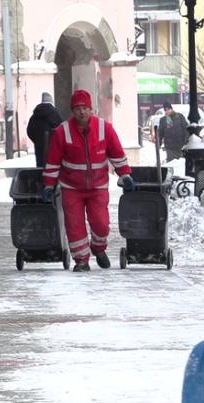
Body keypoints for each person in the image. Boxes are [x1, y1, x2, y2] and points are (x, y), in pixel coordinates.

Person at [42, 90, 134, 272]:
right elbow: (53, 161)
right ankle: (81, 260)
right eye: (77, 109)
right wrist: (48, 185)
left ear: (91, 109)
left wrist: (125, 175)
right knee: (74, 225)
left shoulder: (104, 129)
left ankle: (98, 249)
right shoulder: (62, 132)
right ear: (72, 111)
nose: (82, 112)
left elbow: (117, 154)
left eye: (85, 108)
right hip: (71, 188)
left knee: (101, 224)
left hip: (98, 186)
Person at [27, 92, 63, 168]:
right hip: (54, 148)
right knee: (52, 169)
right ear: (51, 101)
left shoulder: (34, 116)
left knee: (40, 170)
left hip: (39, 148)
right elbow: (62, 129)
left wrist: (37, 140)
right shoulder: (55, 114)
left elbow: (29, 131)